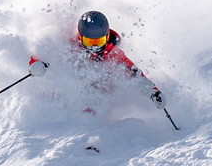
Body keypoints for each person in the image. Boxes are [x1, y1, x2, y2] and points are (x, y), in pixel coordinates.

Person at [31, 10, 164, 105]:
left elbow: (134, 74)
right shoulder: (68, 45)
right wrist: (36, 63)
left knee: (98, 90)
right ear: (80, 37)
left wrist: (153, 93)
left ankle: (91, 121)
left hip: (99, 93)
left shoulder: (113, 54)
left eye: (99, 41)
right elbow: (46, 51)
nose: (94, 47)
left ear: (106, 37)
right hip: (73, 87)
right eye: (89, 42)